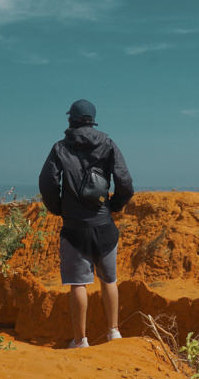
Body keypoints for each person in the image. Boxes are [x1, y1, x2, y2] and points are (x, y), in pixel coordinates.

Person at [39, 99, 134, 349]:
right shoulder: (108, 144)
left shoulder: (60, 148)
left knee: (78, 284)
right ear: (92, 119)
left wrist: (58, 209)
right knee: (109, 280)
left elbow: (47, 183)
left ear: (71, 119)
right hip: (104, 225)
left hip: (74, 228)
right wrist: (114, 206)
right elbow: (124, 182)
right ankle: (114, 332)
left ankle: (80, 340)